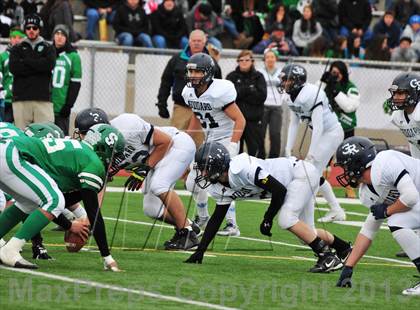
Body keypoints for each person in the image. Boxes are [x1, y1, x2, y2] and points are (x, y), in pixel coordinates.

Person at [184, 142, 351, 273]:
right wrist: (201, 250)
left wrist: (267, 218)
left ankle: (327, 257)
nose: (203, 174)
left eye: (205, 169)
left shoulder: (241, 168)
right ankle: (344, 248)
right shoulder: (217, 186)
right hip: (298, 180)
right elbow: (217, 217)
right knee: (305, 233)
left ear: (217, 165)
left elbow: (279, 190)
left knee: (286, 219)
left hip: (299, 174)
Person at [0, 123, 124, 270]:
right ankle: (10, 250)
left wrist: (69, 224)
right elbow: (94, 213)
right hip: (11, 154)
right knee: (54, 200)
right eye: (114, 154)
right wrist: (107, 257)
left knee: (29, 203)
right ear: (104, 148)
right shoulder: (93, 162)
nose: (114, 161)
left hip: (8, 150)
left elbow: (65, 202)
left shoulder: (77, 150)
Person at [334, 136, 420, 295]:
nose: (345, 172)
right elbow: (369, 228)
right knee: (397, 219)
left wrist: (387, 211)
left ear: (357, 162)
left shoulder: (384, 163)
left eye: (346, 166)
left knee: (397, 220)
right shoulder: (366, 193)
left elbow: (411, 197)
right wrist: (349, 266)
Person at [110, 113, 199, 250]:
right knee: (152, 209)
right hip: (157, 158)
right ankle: (188, 224)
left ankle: (187, 234)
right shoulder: (100, 151)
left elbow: (166, 141)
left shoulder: (126, 125)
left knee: (159, 185)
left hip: (176, 144)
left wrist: (145, 168)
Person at [183, 52, 246, 237]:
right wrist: (186, 142)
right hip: (209, 142)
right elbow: (196, 116)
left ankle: (232, 225)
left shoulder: (220, 92)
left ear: (208, 73)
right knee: (191, 182)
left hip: (226, 140)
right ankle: (203, 217)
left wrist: (233, 145)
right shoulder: (189, 92)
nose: (192, 75)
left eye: (197, 72)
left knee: (223, 182)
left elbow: (240, 120)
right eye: (190, 71)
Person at [281, 64, 346, 222]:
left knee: (311, 174)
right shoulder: (290, 96)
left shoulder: (311, 94)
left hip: (330, 133)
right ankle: (336, 210)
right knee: (313, 174)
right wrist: (288, 149)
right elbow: (294, 122)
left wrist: (311, 153)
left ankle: (308, 221)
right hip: (320, 133)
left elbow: (319, 126)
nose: (283, 83)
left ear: (296, 81)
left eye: (287, 80)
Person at [156, 29, 222, 147]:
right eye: (194, 40)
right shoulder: (176, 59)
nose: (196, 43)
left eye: (199, 41)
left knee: (199, 145)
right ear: (189, 41)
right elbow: (166, 81)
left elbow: (218, 86)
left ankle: (196, 166)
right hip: (181, 108)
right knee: (175, 142)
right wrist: (162, 103)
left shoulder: (211, 63)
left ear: (205, 42)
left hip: (203, 110)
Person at [320, 60, 360, 200]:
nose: (335, 75)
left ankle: (350, 188)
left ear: (343, 73)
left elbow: (349, 107)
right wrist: (323, 83)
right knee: (325, 156)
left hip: (346, 127)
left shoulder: (351, 87)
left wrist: (335, 90)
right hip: (329, 128)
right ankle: (320, 185)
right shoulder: (326, 86)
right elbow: (314, 98)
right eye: (333, 72)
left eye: (338, 73)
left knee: (348, 158)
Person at [9, 14, 56, 129]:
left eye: (34, 28)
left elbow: (48, 65)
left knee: (45, 135)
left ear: (39, 29)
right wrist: (38, 63)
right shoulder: (17, 48)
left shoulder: (48, 47)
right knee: (22, 136)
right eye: (28, 28)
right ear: (25, 29)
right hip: (21, 99)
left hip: (43, 99)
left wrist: (25, 61)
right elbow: (14, 68)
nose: (31, 31)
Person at [226, 50, 266, 158]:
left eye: (247, 60)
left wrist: (241, 92)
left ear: (252, 61)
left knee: (257, 151)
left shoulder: (258, 77)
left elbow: (261, 97)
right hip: (235, 121)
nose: (244, 62)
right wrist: (250, 89)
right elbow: (230, 97)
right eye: (241, 60)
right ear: (238, 61)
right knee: (235, 152)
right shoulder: (231, 77)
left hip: (253, 121)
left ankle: (258, 174)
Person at [51, 24, 82, 136]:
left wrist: (68, 105)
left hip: (61, 106)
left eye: (63, 35)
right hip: (46, 105)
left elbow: (75, 84)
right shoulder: (48, 53)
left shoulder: (73, 56)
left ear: (67, 38)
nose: (59, 37)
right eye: (57, 34)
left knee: (61, 138)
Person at [259, 49, 283, 158]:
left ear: (276, 59)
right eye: (267, 57)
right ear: (264, 59)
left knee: (275, 134)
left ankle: (274, 158)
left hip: (277, 108)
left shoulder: (281, 73)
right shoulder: (260, 72)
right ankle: (261, 157)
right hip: (262, 107)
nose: (270, 59)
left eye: (272, 57)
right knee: (260, 134)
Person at [0, 28, 26, 123]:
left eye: (19, 37)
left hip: (20, 98)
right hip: (6, 98)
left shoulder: (26, 56)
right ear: (10, 39)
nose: (16, 39)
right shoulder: (3, 56)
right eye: (14, 37)